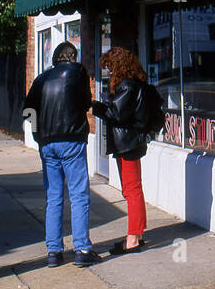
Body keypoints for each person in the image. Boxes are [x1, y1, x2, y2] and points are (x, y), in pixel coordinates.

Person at [24, 41, 99, 267]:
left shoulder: (41, 79)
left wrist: (39, 136)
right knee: (78, 194)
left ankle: (54, 251)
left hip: (47, 144)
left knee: (54, 197)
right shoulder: (77, 73)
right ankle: (82, 248)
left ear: (55, 58)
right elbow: (86, 103)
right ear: (72, 56)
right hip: (72, 140)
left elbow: (28, 111)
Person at [92, 47, 155, 254]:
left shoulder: (127, 86)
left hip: (128, 144)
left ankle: (133, 239)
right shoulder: (134, 84)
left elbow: (116, 113)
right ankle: (138, 233)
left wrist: (95, 106)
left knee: (131, 190)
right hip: (130, 143)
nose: (109, 71)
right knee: (134, 189)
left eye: (111, 66)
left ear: (120, 65)